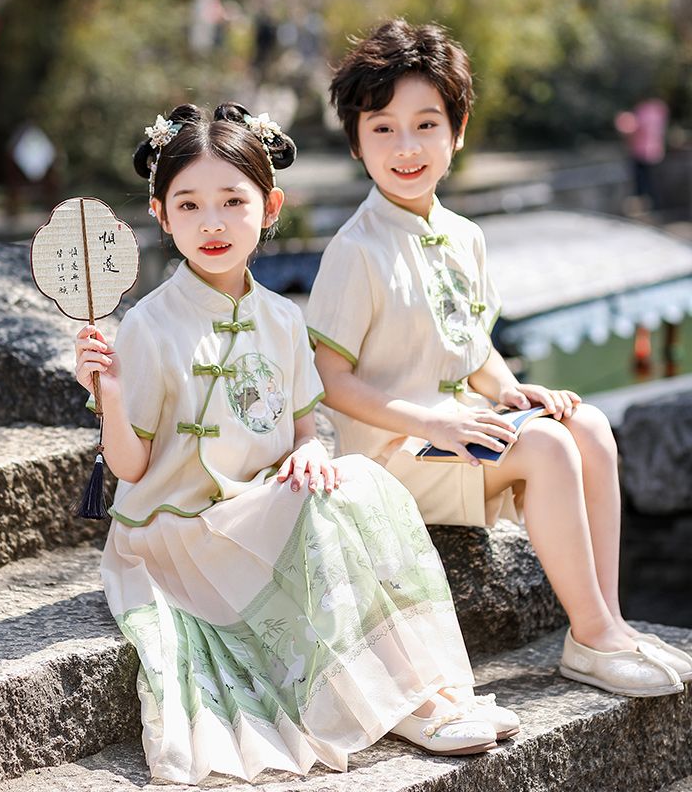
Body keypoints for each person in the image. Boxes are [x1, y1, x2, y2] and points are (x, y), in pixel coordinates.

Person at [74, 102, 518, 784]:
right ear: (161, 216)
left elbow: (308, 426)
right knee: (325, 506)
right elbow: (130, 467)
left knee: (359, 481)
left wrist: (310, 451)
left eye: (232, 200)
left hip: (256, 509)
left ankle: (430, 690)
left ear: (270, 204)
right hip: (177, 533)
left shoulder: (282, 317)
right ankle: (412, 703)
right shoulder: (148, 326)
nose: (213, 223)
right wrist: (107, 393)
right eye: (188, 205)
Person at [306, 19, 692, 700]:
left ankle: (605, 624)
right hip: (395, 455)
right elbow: (331, 380)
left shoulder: (464, 237)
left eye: (426, 124)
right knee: (543, 450)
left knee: (589, 427)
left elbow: (472, 343)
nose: (406, 147)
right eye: (383, 128)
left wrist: (514, 392)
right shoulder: (354, 251)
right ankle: (595, 640)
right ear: (357, 141)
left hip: (459, 438)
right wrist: (436, 425)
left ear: (457, 132)